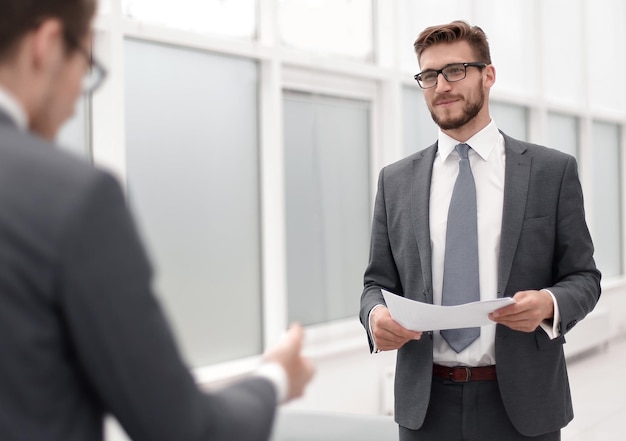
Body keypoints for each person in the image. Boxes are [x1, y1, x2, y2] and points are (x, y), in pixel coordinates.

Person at [0, 1, 314, 440]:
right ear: (47, 45)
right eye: (85, 63)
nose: (76, 100)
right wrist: (276, 378)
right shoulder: (72, 198)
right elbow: (185, 431)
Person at [360, 20, 601, 441]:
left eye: (455, 71)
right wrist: (375, 316)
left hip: (523, 405)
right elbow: (376, 283)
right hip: (425, 406)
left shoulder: (551, 171)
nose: (441, 86)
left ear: (488, 75)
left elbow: (584, 277)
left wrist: (548, 303)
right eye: (429, 76)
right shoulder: (395, 181)